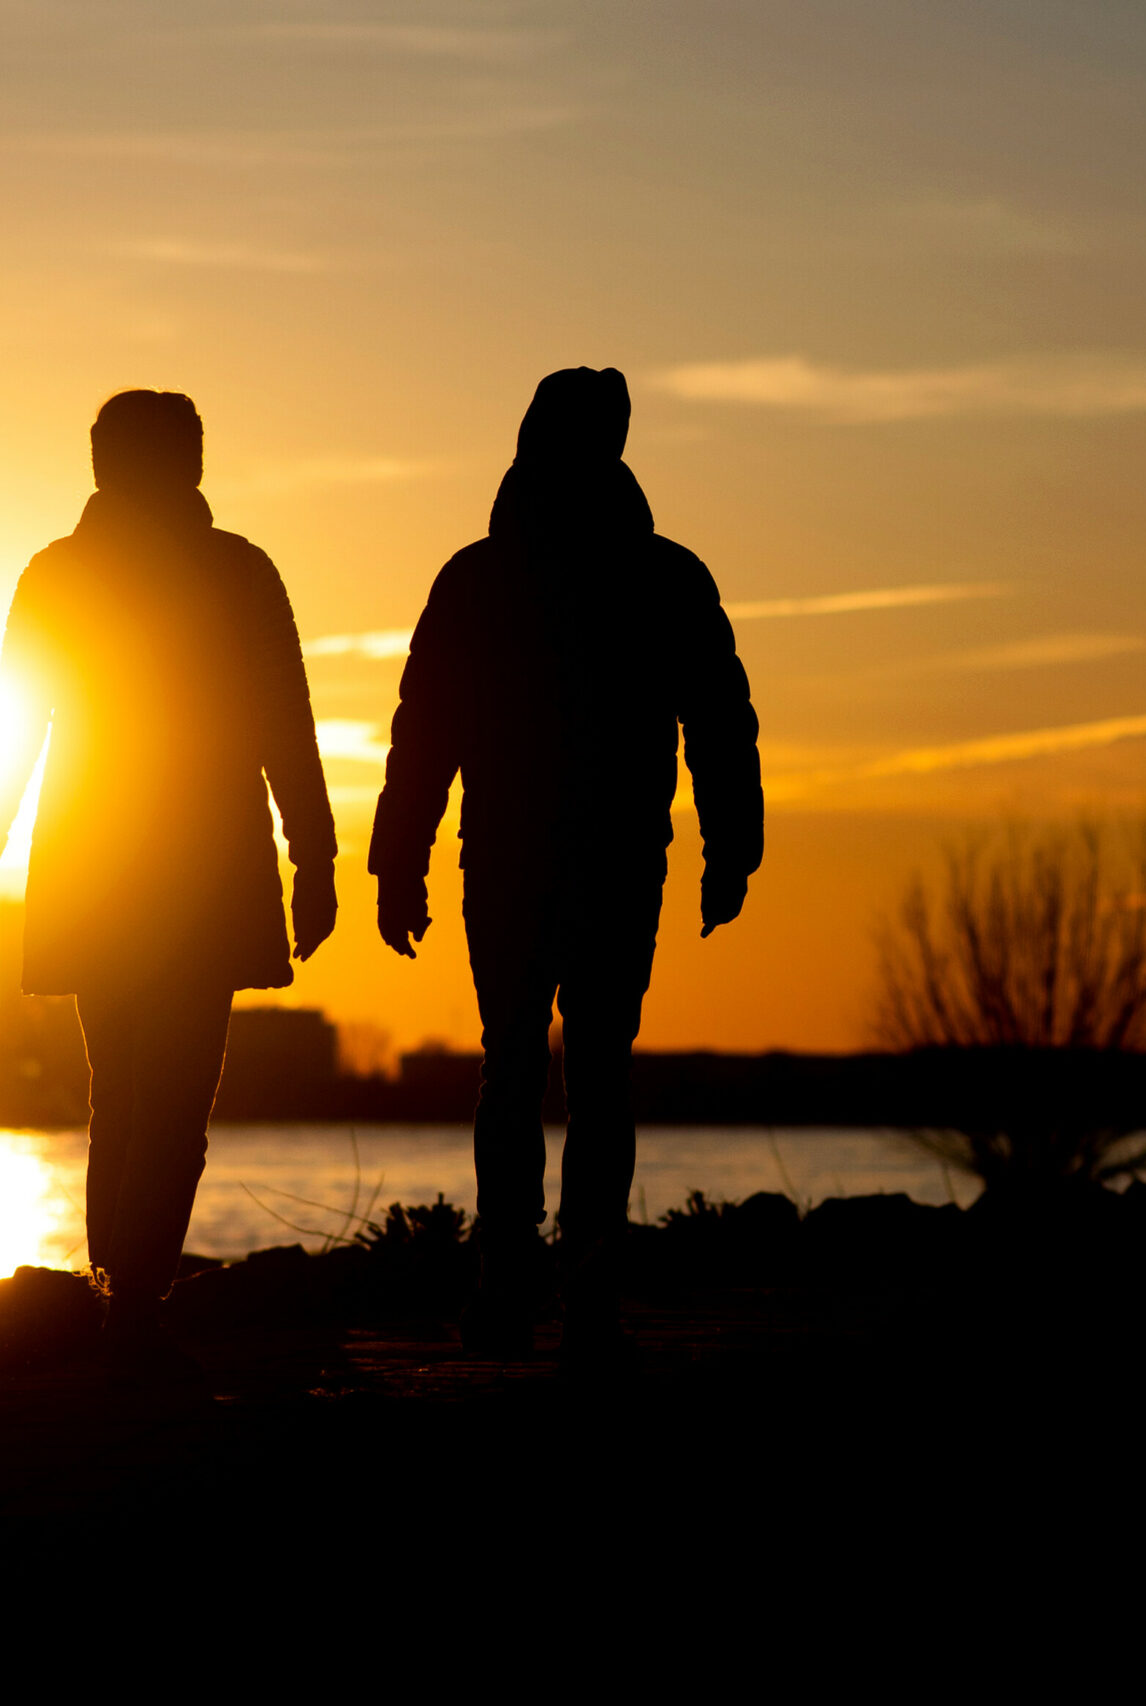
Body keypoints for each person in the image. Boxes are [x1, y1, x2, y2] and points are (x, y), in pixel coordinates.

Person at [370, 366, 762, 1364]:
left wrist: (398, 858)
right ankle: (572, 1288)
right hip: (606, 851)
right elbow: (718, 721)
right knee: (589, 1072)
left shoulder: (482, 575)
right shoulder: (658, 572)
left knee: (525, 1067)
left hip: (526, 851)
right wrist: (731, 845)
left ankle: (520, 1283)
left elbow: (425, 734)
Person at [0, 389, 337, 1360]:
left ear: (100, 466)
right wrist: (315, 857)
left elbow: (13, 725)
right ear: (187, 465)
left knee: (124, 1096)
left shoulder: (66, 573)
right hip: (188, 865)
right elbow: (284, 721)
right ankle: (129, 1298)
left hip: (109, 862)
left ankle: (123, 1292)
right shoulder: (233, 570)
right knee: (155, 1099)